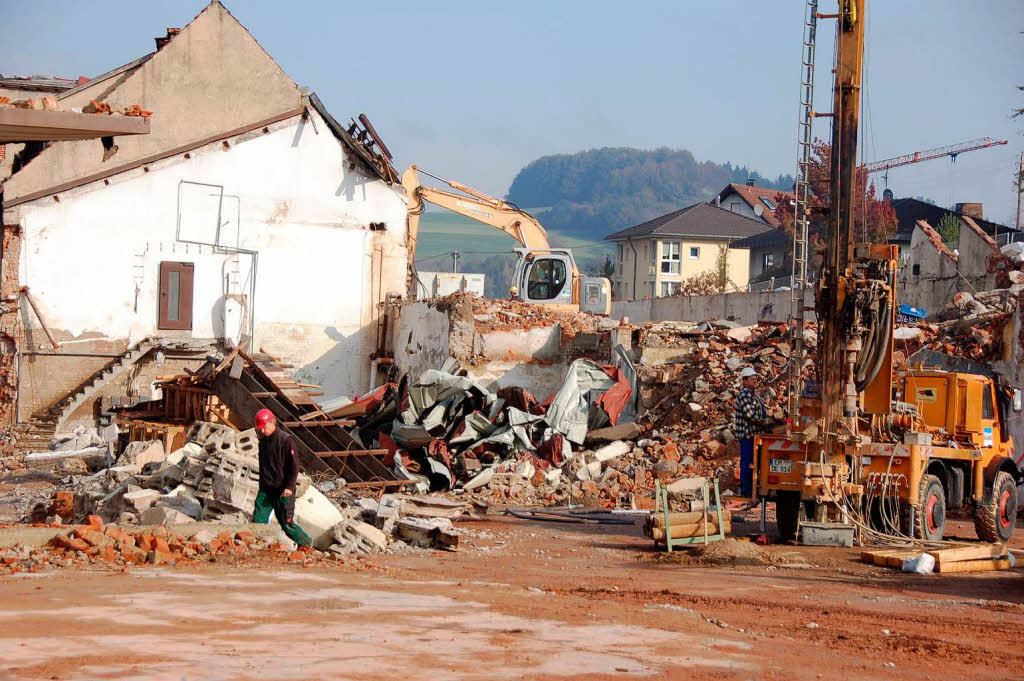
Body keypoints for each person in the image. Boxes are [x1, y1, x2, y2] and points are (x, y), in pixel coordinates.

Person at [253, 408, 312, 547]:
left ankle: (307, 544)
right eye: (259, 428)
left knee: (287, 523)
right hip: (266, 490)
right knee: (257, 521)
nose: (262, 431)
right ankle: (257, 547)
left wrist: (289, 487)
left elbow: (294, 466)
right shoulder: (263, 442)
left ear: (272, 423)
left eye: (264, 427)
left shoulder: (286, 440)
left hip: (283, 490)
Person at [734, 367, 774, 498]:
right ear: (745, 381)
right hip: (748, 435)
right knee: (747, 462)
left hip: (756, 434)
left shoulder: (754, 394)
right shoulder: (744, 394)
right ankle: (746, 491)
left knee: (757, 462)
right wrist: (764, 421)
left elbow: (762, 408)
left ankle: (756, 489)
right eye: (752, 379)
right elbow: (750, 414)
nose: (755, 381)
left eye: (755, 378)